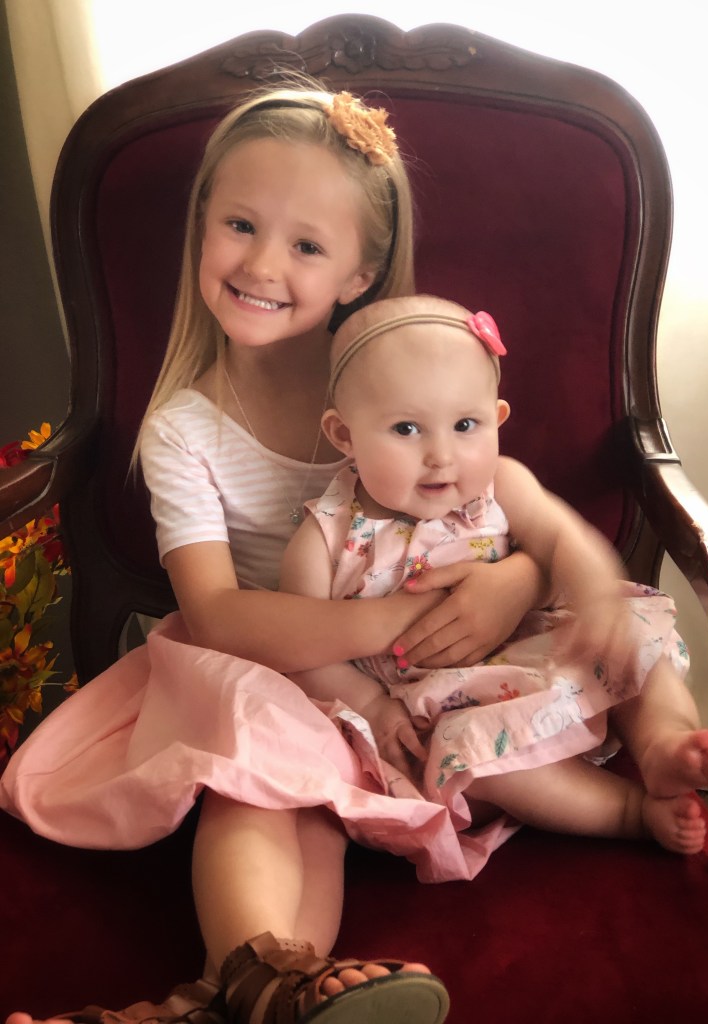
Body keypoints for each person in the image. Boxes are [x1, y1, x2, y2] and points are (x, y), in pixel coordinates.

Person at [1, 82, 548, 1024]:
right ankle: (268, 981)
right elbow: (217, 616)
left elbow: (510, 503)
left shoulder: (401, 383)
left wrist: (519, 579)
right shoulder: (184, 428)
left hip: (380, 686)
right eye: (241, 225)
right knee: (258, 781)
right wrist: (398, 617)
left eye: (305, 245)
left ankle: (242, 999)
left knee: (318, 818)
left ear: (358, 273)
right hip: (250, 660)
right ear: (201, 227)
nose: (261, 263)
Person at [279, 293, 708, 868]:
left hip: (556, 656)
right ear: (344, 434)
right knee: (473, 763)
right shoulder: (323, 540)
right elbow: (303, 651)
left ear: (496, 419)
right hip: (446, 709)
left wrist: (596, 598)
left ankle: (664, 743)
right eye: (406, 428)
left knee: (635, 634)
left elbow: (567, 540)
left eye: (465, 425)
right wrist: (372, 706)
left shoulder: (504, 484)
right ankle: (627, 811)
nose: (441, 455)